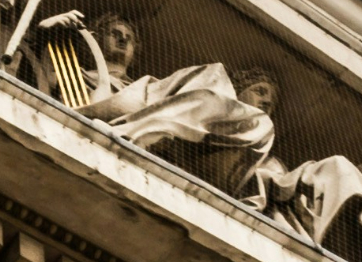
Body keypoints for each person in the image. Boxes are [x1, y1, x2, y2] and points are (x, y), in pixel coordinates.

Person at [34, 16, 281, 192]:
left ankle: (155, 132)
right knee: (213, 74)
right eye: (115, 34)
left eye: (128, 38)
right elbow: (42, 81)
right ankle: (146, 132)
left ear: (135, 51)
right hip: (117, 114)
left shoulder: (148, 87)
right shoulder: (77, 74)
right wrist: (47, 33)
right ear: (96, 40)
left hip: (148, 113)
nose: (123, 39)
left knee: (256, 121)